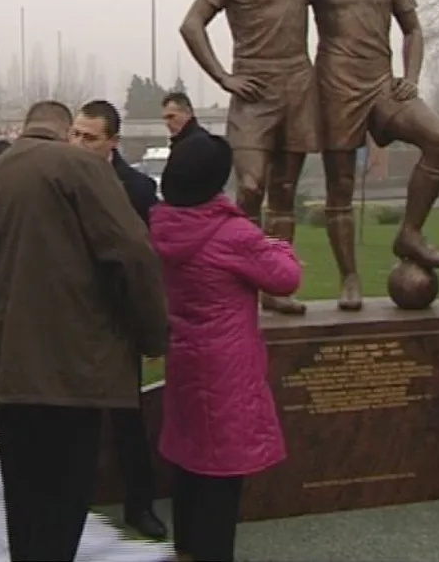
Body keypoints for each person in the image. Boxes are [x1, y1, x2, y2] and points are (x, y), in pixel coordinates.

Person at [0, 101, 169, 562]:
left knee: (23, 502)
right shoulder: (81, 168)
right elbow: (133, 254)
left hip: (7, 369)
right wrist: (152, 337)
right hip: (74, 370)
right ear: (65, 129)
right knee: (63, 503)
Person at [178, 0, 409, 315]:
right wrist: (224, 77)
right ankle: (237, 275)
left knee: (284, 192)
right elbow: (192, 24)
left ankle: (274, 283)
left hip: (299, 87)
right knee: (250, 187)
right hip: (255, 89)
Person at [149, 132, 300, 562]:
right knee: (220, 477)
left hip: (185, 360)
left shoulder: (163, 223)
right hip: (227, 371)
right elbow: (285, 278)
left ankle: (185, 553)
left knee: (188, 464)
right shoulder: (234, 233)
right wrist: (277, 243)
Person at [309, 0, 439, 310]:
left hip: (382, 85)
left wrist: (410, 77)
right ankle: (350, 278)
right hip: (335, 87)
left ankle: (410, 231)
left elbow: (412, 28)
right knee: (340, 189)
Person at [70, 99, 168, 540]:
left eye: (89, 137)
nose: (78, 143)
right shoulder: (57, 179)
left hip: (117, 323)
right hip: (68, 319)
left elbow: (145, 262)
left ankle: (139, 504)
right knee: (72, 423)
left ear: (113, 142)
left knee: (128, 421)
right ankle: (74, 504)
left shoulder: (139, 191)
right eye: (75, 133)